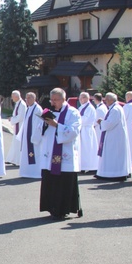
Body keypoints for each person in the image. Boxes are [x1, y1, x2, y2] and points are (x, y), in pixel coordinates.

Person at [33, 88, 82, 220]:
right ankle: (51, 207)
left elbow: (74, 131)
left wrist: (56, 125)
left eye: (56, 100)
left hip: (65, 154)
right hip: (49, 153)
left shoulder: (73, 112)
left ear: (63, 99)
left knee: (63, 182)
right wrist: (44, 124)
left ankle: (63, 209)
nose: (53, 103)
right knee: (51, 180)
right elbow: (40, 130)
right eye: (52, 100)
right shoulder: (50, 112)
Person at [96, 92, 131, 180]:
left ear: (112, 100)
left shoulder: (115, 109)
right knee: (113, 155)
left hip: (115, 137)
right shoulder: (115, 108)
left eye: (107, 99)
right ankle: (112, 173)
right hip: (114, 136)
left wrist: (101, 122)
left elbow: (110, 124)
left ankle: (114, 174)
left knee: (114, 155)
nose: (105, 101)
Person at [18, 92, 43, 179]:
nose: (27, 100)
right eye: (26, 98)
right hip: (27, 138)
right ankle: (27, 172)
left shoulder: (37, 109)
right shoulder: (29, 108)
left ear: (34, 99)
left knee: (35, 155)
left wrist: (34, 138)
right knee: (26, 155)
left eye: (29, 98)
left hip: (33, 139)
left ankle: (35, 173)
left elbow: (39, 125)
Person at [75, 92, 98, 172]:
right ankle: (83, 166)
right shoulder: (81, 107)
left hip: (87, 131)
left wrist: (77, 119)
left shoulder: (90, 108)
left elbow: (85, 119)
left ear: (88, 98)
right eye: (80, 98)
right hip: (82, 130)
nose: (81, 99)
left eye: (83, 97)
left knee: (88, 149)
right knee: (82, 150)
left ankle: (91, 167)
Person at [6, 91, 25, 165]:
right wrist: (12, 118)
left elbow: (21, 117)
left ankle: (18, 161)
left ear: (16, 96)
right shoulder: (18, 103)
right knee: (15, 144)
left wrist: (12, 119)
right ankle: (13, 159)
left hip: (20, 126)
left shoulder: (22, 104)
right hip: (17, 126)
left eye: (12, 96)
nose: (11, 98)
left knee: (18, 144)